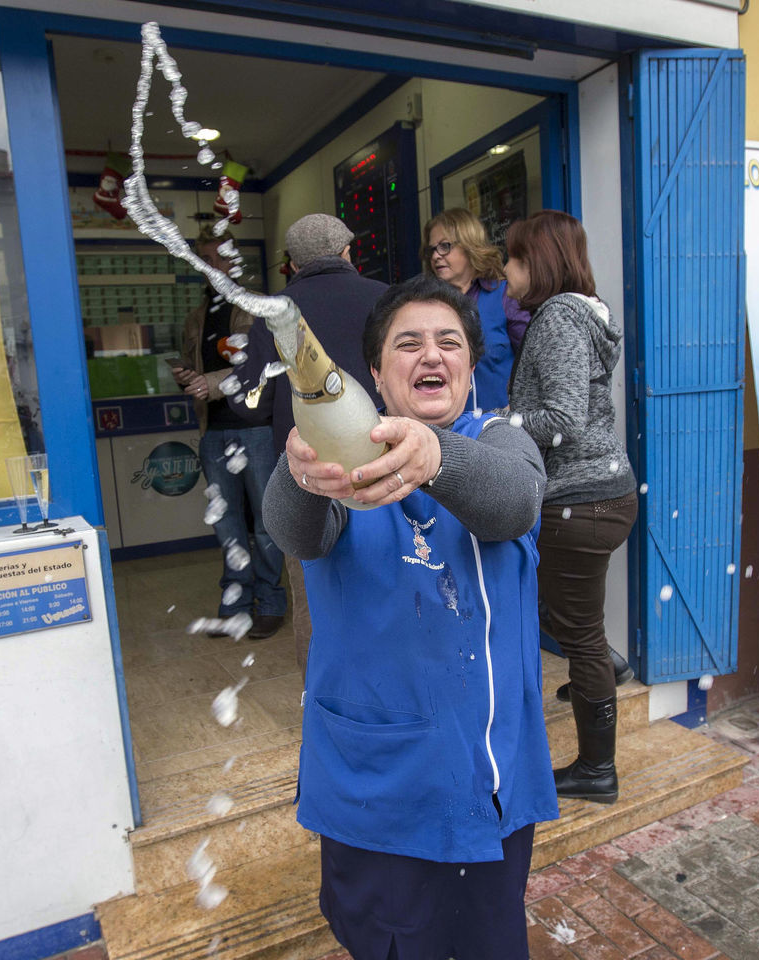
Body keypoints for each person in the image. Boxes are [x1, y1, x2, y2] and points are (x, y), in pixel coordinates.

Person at [263, 274, 553, 960]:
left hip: (488, 783)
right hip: (379, 792)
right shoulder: (337, 460)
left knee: (486, 943)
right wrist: (297, 472)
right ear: (373, 374)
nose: (432, 355)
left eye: (449, 341)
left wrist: (434, 455)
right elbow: (296, 535)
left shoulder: (503, 443)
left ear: (469, 363)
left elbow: (514, 503)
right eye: (409, 343)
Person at [504, 210, 636, 804]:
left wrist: (496, 425)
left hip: (576, 501)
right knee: (555, 609)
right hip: (605, 492)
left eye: (514, 258)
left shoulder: (558, 316)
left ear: (540, 262)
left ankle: (596, 770)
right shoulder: (585, 312)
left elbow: (561, 419)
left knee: (575, 635)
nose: (506, 270)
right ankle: (605, 666)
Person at [235, 213, 388, 671]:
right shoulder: (386, 299)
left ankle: (319, 697)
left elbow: (249, 405)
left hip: (308, 474)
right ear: (348, 252)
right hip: (383, 465)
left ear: (291, 264)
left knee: (313, 596)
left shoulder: (274, 313)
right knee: (389, 581)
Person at [172, 229, 285, 639]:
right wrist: (185, 375)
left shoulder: (255, 307)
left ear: (234, 260)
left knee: (266, 524)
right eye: (204, 258)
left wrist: (212, 382)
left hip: (254, 430)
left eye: (219, 257)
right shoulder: (195, 317)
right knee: (227, 526)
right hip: (213, 431)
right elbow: (194, 367)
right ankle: (236, 605)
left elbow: (264, 365)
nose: (211, 265)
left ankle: (270, 604)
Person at [420, 208, 527, 411]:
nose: (435, 256)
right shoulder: (427, 305)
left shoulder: (505, 295)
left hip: (501, 429)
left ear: (470, 246)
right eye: (431, 250)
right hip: (449, 432)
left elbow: (534, 363)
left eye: (445, 246)